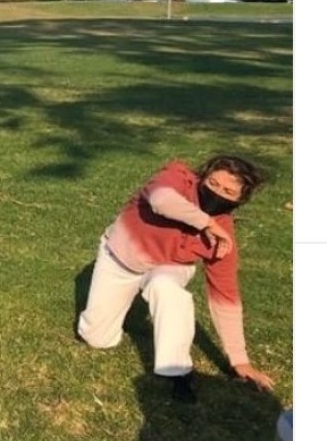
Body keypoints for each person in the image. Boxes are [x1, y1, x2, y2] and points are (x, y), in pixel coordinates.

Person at [77, 154, 274, 402]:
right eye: (213, 183)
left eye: (228, 191)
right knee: (97, 338)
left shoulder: (224, 239)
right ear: (202, 177)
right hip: (121, 258)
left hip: (169, 266)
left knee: (167, 289)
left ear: (239, 201)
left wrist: (240, 360)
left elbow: (225, 296)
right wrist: (207, 224)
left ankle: (179, 371)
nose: (217, 193)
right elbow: (161, 200)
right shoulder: (176, 178)